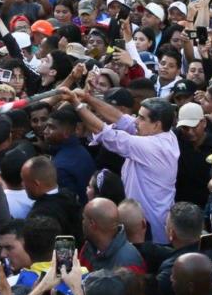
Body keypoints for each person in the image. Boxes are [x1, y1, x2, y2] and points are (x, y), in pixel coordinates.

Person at [64, 89, 179, 244]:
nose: (136, 121)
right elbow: (121, 118)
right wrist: (88, 98)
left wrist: (76, 104)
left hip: (152, 234)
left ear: (157, 125)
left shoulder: (153, 147)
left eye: (142, 118)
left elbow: (105, 132)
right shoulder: (164, 133)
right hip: (141, 225)